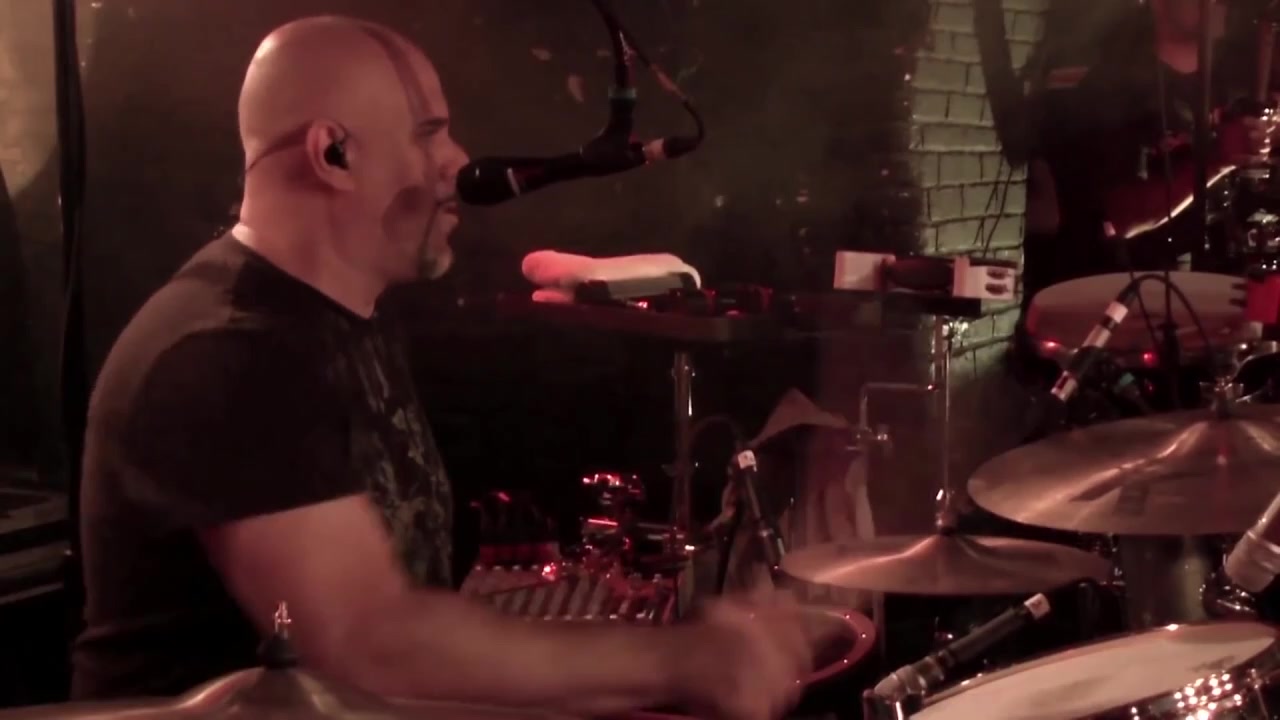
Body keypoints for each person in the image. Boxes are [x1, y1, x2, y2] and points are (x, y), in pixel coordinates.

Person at [72, 16, 818, 720]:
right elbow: (370, 647)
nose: (458, 161)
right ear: (333, 154)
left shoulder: (342, 322)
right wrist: (684, 659)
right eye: (429, 134)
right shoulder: (227, 352)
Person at [1020, 0, 1274, 307]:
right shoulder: (1110, 88)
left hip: (1204, 290)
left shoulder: (1227, 86)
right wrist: (1218, 159)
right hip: (1117, 296)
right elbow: (1122, 215)